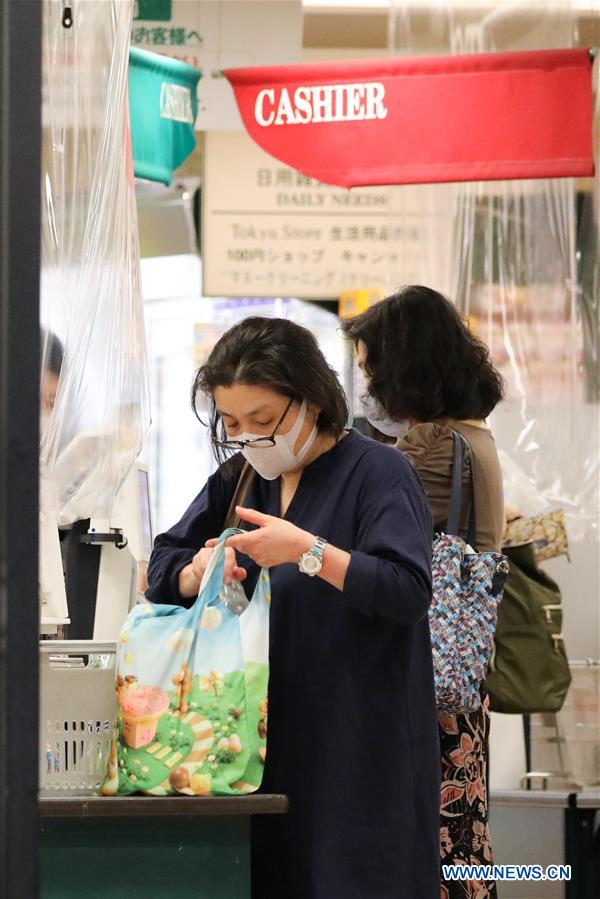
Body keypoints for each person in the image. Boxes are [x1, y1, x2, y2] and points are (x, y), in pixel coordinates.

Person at [146, 316, 440, 899]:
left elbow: (406, 588)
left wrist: (308, 551)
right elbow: (162, 566)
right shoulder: (240, 478)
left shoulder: (380, 473)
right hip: (252, 750)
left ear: (311, 400)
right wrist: (198, 571)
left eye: (263, 421)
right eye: (233, 424)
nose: (250, 438)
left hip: (359, 749)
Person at [342, 286, 505, 899]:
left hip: (423, 672)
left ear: (404, 366)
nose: (367, 386)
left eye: (371, 369)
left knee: (426, 842)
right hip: (462, 674)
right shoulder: (476, 435)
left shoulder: (432, 445)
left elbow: (358, 533)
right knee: (461, 840)